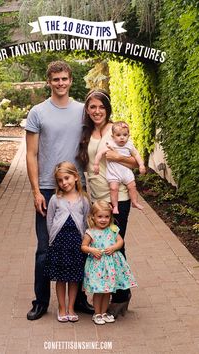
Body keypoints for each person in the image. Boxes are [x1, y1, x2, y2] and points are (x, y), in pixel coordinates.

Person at [25, 60, 93, 321]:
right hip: (47, 188)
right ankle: (41, 302)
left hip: (78, 189)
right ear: (48, 81)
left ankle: (82, 300)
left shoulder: (81, 111)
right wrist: (35, 191)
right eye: (56, 80)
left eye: (64, 79)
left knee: (82, 245)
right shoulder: (38, 112)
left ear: (71, 80)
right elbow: (31, 154)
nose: (61, 83)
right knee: (45, 248)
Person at [77, 89, 138, 318]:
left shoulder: (117, 131)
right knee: (98, 244)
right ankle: (99, 291)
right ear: (87, 110)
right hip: (96, 199)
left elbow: (133, 161)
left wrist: (118, 157)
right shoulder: (86, 133)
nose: (97, 111)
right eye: (92, 107)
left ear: (107, 108)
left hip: (118, 198)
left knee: (116, 245)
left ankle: (121, 295)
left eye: (101, 107)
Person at [44, 161, 90, 322]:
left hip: (76, 244)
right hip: (59, 244)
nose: (64, 183)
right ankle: (62, 308)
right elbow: (49, 221)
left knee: (74, 277)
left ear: (76, 177)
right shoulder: (55, 199)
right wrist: (53, 239)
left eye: (67, 178)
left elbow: (86, 221)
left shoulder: (83, 200)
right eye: (60, 180)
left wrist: (85, 242)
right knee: (61, 278)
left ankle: (71, 307)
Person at [81, 200, 137, 325]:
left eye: (106, 216)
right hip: (97, 266)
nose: (103, 220)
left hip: (110, 266)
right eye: (100, 216)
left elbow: (120, 241)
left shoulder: (113, 229)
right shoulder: (91, 232)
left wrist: (114, 247)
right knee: (99, 291)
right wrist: (92, 250)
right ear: (93, 217)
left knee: (107, 291)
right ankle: (97, 313)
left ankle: (104, 312)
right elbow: (83, 246)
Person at [93, 120, 146, 213]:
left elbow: (136, 155)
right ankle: (115, 206)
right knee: (114, 188)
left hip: (126, 172)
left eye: (125, 135)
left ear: (128, 136)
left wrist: (141, 165)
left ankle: (134, 202)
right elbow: (100, 153)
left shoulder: (129, 145)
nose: (122, 138)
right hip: (114, 173)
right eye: (118, 135)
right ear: (113, 136)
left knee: (132, 186)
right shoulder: (111, 144)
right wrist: (96, 164)